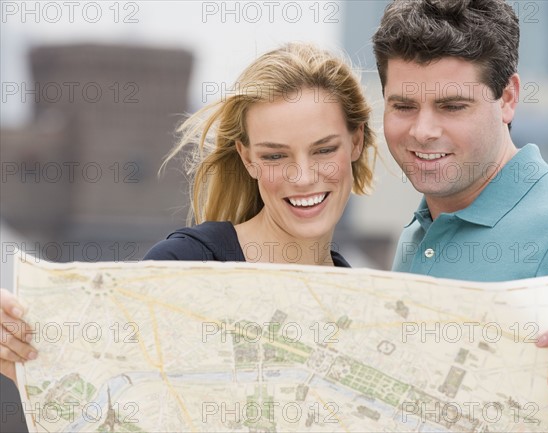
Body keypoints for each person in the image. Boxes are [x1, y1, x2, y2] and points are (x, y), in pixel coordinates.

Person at [0, 42, 377, 383]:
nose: (303, 177)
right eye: (275, 155)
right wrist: (24, 357)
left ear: (356, 142)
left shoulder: (374, 310)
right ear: (247, 159)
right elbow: (99, 394)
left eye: (324, 149)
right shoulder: (183, 264)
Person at [372, 0, 548, 431]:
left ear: (508, 99)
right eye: (402, 106)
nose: (422, 131)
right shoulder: (416, 234)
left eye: (452, 106)